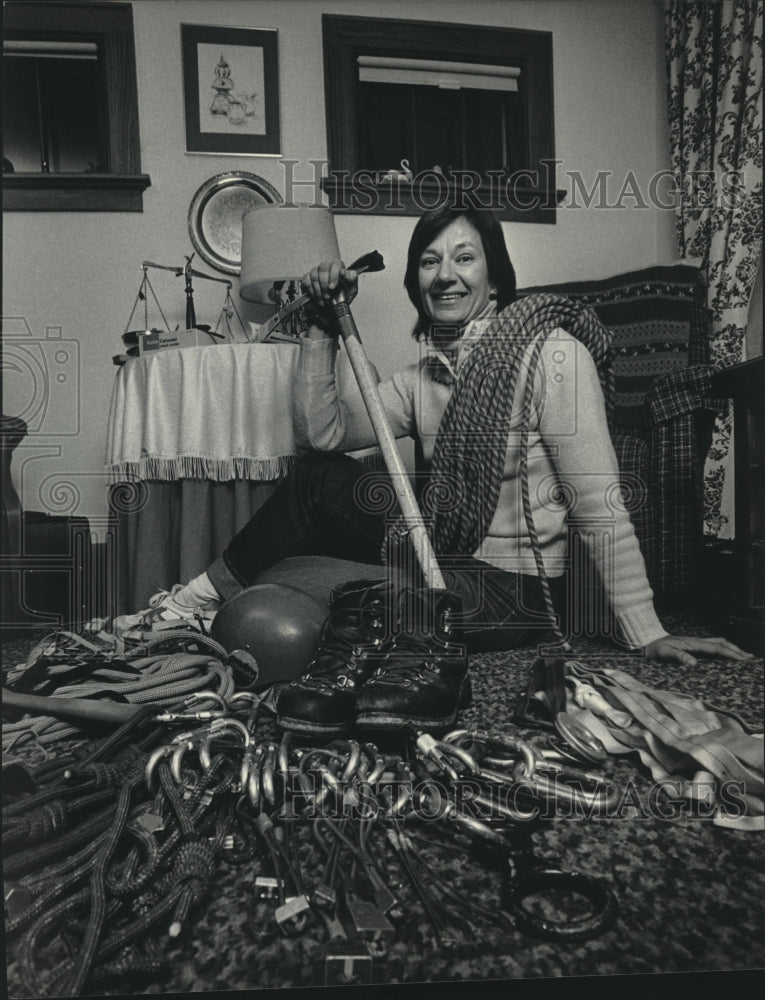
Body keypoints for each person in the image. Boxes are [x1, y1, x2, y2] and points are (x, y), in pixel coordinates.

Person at [115, 205, 751, 736]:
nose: (446, 276)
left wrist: (648, 632)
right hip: (441, 552)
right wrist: (320, 330)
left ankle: (247, 606)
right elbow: (323, 433)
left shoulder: (554, 356)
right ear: (416, 282)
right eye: (429, 261)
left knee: (355, 601)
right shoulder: (421, 380)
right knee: (321, 478)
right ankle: (190, 605)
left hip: (515, 591)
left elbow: (598, 503)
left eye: (464, 258)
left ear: (495, 279)